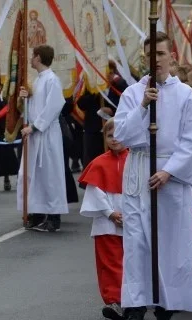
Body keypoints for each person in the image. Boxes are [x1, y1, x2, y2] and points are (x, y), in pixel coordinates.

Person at [113, 31, 192, 319]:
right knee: (137, 241)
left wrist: (169, 171)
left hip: (169, 176)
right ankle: (136, 303)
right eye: (151, 55)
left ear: (171, 56)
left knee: (170, 243)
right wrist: (142, 107)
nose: (156, 60)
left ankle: (168, 303)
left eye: (161, 54)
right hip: (139, 171)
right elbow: (122, 135)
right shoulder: (132, 93)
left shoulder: (185, 94)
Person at [78, 119, 127, 320]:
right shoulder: (98, 163)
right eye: (109, 136)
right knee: (109, 263)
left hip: (132, 219)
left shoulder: (137, 160)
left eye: (118, 135)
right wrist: (109, 213)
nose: (114, 139)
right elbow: (95, 191)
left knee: (131, 262)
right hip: (106, 222)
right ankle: (114, 301)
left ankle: (132, 301)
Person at [18, 45, 68, 232]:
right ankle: (37, 212)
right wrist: (27, 98)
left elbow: (54, 106)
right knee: (34, 176)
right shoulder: (38, 81)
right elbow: (36, 106)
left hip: (46, 135)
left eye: (33, 56)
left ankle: (53, 217)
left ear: (38, 57)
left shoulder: (51, 80)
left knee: (49, 176)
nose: (31, 59)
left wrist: (35, 126)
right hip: (35, 135)